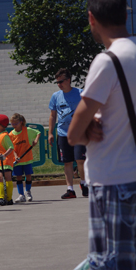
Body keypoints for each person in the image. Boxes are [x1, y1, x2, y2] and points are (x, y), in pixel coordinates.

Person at [67, 0, 136, 270]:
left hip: (114, 183)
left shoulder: (107, 59)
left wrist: (85, 129)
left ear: (92, 19)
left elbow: (77, 123)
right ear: (125, 14)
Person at [48, 68, 88, 199]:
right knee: (67, 162)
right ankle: (70, 189)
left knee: (80, 160)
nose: (59, 84)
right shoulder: (56, 96)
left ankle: (84, 183)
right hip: (63, 134)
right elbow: (53, 116)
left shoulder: (80, 93)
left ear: (68, 80)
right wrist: (50, 133)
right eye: (57, 82)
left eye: (61, 81)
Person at [9, 113, 40, 202]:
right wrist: (16, 156)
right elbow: (12, 147)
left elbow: (38, 132)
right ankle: (21, 195)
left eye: (16, 123)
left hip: (27, 159)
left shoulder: (27, 130)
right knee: (18, 177)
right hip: (18, 161)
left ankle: (28, 192)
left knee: (28, 176)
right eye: (12, 124)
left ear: (21, 122)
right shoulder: (11, 134)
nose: (14, 125)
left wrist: (35, 141)